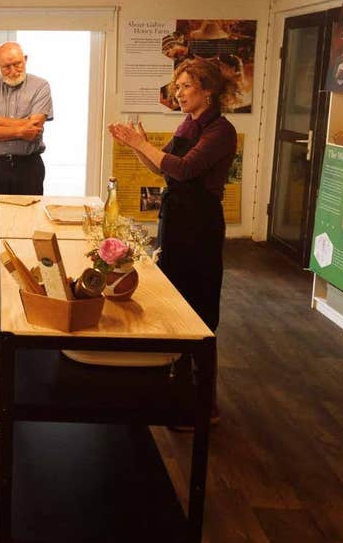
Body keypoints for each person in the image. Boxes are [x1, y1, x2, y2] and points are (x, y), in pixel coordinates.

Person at [108, 57, 238, 421]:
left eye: (185, 86)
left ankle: (203, 404)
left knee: (200, 309)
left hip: (200, 226)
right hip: (177, 219)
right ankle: (177, 387)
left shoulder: (221, 131)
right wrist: (138, 146)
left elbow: (183, 169)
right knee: (173, 300)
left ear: (208, 91)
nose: (178, 93)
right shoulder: (187, 123)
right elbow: (161, 165)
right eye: (177, 87)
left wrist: (140, 144)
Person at [0, 41, 53, 309]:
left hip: (29, 165)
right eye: (7, 65)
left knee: (28, 229)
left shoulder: (41, 86)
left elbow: (35, 128)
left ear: (25, 58)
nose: (13, 69)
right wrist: (19, 128)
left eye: (17, 63)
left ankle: (27, 288)